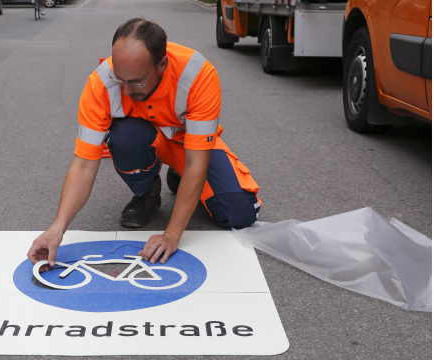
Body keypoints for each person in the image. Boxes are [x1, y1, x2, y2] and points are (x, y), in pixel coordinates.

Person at [27, 18, 261, 271]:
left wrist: (172, 234)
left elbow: (197, 162)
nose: (125, 91)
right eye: (119, 78)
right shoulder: (100, 84)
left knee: (239, 213)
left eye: (136, 81)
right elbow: (83, 164)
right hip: (144, 142)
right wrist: (57, 228)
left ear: (162, 65)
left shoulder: (198, 75)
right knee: (125, 134)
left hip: (190, 148)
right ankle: (146, 191)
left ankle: (178, 175)